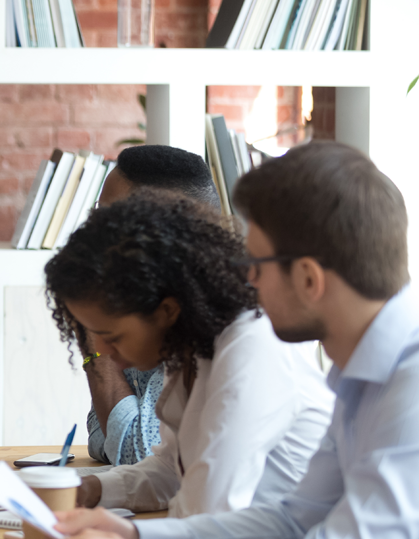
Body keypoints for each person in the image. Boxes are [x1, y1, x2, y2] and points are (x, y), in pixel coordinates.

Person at [53, 141, 419, 539]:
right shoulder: (357, 376)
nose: (245, 279)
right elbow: (293, 521)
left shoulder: (410, 389)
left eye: (256, 264)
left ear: (309, 279)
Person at [44, 191, 333, 517]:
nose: (105, 355)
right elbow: (175, 469)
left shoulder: (251, 347)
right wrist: (91, 490)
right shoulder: (190, 346)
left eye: (113, 337)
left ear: (166, 310)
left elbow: (209, 509)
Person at [86, 145, 222, 467]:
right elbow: (99, 435)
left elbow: (140, 453)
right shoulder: (144, 302)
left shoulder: (208, 323)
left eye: (110, 221)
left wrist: (93, 337)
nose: (94, 234)